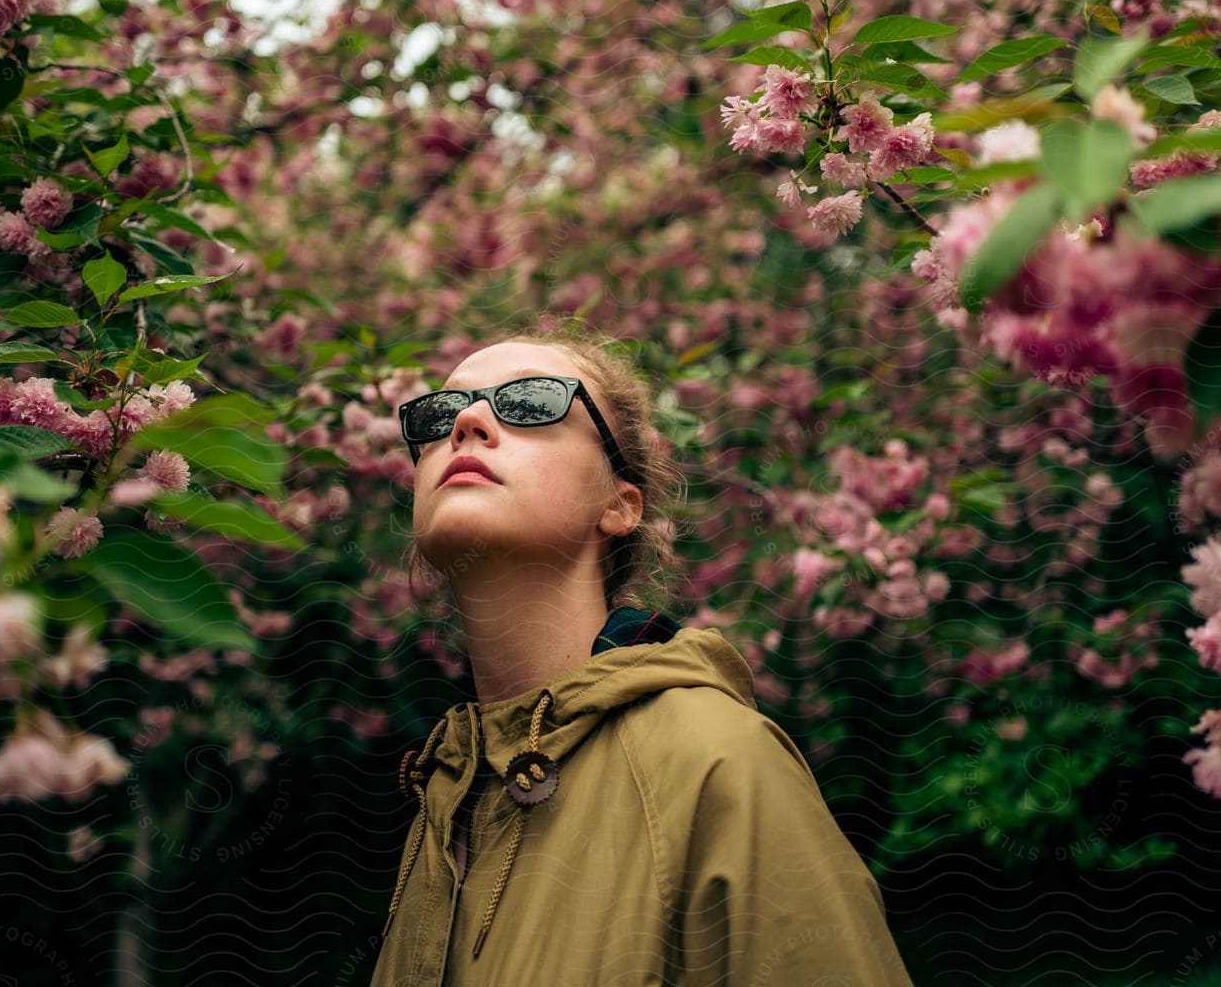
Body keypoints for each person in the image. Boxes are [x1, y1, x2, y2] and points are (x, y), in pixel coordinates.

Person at [368, 322, 916, 987]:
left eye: (532, 401)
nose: (468, 425)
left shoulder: (715, 762)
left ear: (620, 504)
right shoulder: (444, 803)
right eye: (440, 412)